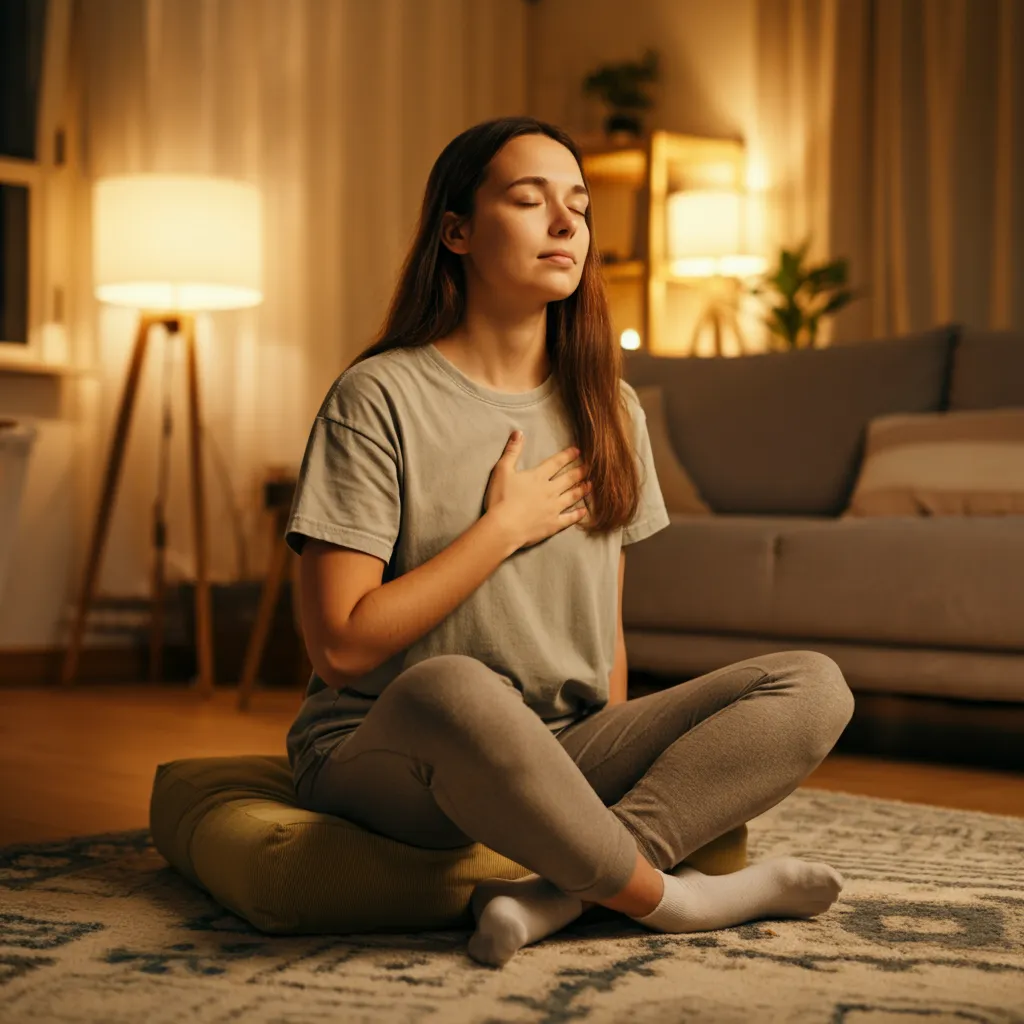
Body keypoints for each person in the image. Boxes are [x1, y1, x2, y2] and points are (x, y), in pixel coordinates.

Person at [283, 115, 855, 969]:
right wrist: (501, 530)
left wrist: (610, 749)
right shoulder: (377, 397)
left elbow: (604, 629)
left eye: (579, 207)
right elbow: (340, 645)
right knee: (455, 687)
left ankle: (555, 897)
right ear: (458, 232)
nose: (566, 224)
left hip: (562, 745)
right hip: (392, 747)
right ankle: (672, 900)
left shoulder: (611, 408)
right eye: (529, 199)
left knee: (813, 685)